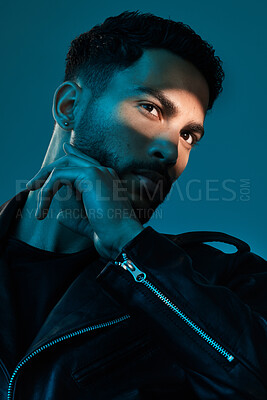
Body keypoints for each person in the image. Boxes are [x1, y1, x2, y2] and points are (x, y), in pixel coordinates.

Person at [0, 10, 266, 400]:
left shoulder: (224, 280)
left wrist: (130, 249)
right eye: (151, 108)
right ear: (70, 106)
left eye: (189, 135)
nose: (170, 149)